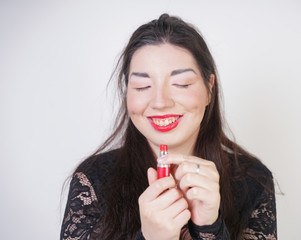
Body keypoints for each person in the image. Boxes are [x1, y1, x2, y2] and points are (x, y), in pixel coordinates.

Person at [60, 13, 277, 240]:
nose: (160, 102)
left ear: (209, 89)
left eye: (181, 84)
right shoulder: (92, 180)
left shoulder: (254, 180)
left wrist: (209, 228)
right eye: (142, 86)